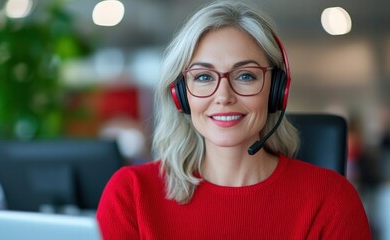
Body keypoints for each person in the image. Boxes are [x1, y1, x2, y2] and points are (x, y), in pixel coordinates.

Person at [96, 1, 371, 239]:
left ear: (276, 91)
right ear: (181, 94)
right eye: (203, 77)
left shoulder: (331, 200)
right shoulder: (131, 194)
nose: (224, 96)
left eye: (245, 76)